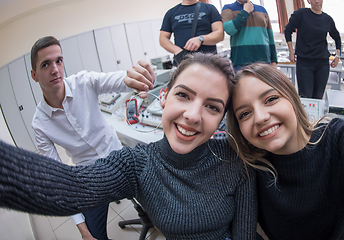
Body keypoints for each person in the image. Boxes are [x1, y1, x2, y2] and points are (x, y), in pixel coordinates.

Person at [0, 53, 257, 240]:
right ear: (164, 97)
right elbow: (67, 186)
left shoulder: (234, 158)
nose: (192, 115)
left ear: (222, 117)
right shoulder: (136, 164)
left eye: (212, 106)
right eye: (183, 95)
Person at [29, 36, 155, 240]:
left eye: (59, 61)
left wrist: (140, 77)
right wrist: (82, 229)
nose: (55, 69)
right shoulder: (40, 124)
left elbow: (119, 79)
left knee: (161, 192)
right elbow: (58, 179)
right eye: (46, 64)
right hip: (90, 176)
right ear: (34, 75)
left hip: (118, 156)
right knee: (93, 235)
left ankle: (154, 215)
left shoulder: (83, 82)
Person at [226, 63, 344, 240]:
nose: (260, 117)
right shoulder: (249, 170)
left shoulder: (337, 139)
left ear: (292, 96)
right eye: (245, 113)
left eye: (271, 99)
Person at [284, 0, 341, 99]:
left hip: (322, 64)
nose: (317, 1)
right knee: (306, 97)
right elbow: (288, 30)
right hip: (305, 63)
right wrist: (291, 51)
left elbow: (336, 36)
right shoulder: (301, 14)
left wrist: (337, 55)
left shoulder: (327, 19)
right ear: (309, 1)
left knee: (318, 97)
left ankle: (317, 115)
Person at [159, 0, 224, 66]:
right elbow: (163, 38)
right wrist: (177, 51)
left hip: (209, 62)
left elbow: (219, 34)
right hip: (184, 61)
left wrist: (201, 39)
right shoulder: (171, 13)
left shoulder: (210, 8)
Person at [221, 0, 277, 72]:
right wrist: (245, 11)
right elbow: (230, 29)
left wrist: (274, 61)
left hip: (264, 60)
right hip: (241, 61)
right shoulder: (228, 8)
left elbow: (270, 37)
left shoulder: (262, 10)